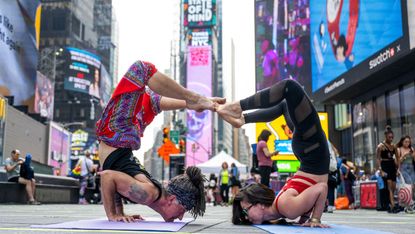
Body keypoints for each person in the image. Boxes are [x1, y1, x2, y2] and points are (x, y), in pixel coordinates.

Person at [96, 60, 224, 222]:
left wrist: (119, 213)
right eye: (183, 209)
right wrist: (112, 215)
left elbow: (114, 177)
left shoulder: (151, 192)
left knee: (152, 101)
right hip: (118, 132)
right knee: (141, 70)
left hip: (122, 136)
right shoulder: (148, 194)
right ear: (172, 199)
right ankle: (193, 99)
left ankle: (194, 102)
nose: (180, 217)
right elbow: (107, 176)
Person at [217, 79, 330, 227]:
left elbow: (321, 188)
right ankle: (243, 117)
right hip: (311, 150)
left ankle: (239, 110)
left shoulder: (286, 207)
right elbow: (318, 188)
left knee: (289, 89)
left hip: (313, 151)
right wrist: (307, 216)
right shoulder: (285, 207)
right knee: (287, 95)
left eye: (245, 211)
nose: (246, 218)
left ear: (260, 205)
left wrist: (314, 219)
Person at [376, 126, 399, 213]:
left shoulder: (394, 146)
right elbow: (378, 158)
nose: (391, 138)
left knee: (393, 187)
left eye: (392, 137)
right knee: (389, 186)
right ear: (385, 136)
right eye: (389, 137)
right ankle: (392, 205)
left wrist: (398, 169)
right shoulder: (380, 146)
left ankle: (390, 204)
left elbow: (397, 157)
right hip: (385, 165)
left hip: (392, 165)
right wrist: (380, 170)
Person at [396, 136, 415, 213]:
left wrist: (413, 154)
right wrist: (404, 155)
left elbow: (414, 160)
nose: (407, 143)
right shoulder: (399, 149)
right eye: (406, 142)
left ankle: (411, 204)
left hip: (411, 168)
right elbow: (398, 161)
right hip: (403, 168)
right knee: (408, 185)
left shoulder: (412, 149)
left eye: (408, 142)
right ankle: (409, 205)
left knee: (413, 186)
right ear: (402, 141)